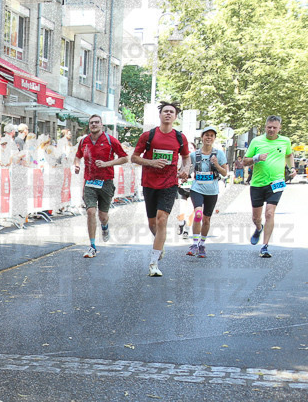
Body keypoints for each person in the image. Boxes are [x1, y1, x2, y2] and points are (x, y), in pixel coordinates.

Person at [131, 102, 191, 277]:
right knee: (152, 223)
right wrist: (152, 162)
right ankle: (160, 242)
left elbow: (186, 158)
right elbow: (134, 158)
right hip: (149, 183)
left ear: (175, 117)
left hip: (169, 183)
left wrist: (186, 169)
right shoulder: (148, 136)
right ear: (160, 115)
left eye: (171, 112)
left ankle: (153, 263)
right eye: (165, 111)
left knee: (162, 219)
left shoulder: (180, 138)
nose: (168, 114)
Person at [74, 114, 128, 258]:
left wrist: (107, 164)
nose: (94, 125)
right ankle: (92, 246)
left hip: (106, 182)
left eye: (97, 122)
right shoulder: (83, 141)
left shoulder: (111, 140)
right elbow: (77, 156)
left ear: (102, 125)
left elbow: (124, 158)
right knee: (91, 212)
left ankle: (104, 226)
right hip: (89, 182)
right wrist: (77, 165)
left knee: (102, 215)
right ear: (89, 125)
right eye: (92, 123)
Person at [240, 116, 293, 258]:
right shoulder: (256, 141)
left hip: (276, 183)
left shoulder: (285, 141)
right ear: (265, 127)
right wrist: (257, 158)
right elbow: (245, 162)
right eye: (269, 127)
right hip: (257, 183)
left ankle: (264, 246)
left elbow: (289, 154)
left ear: (279, 128)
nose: (271, 130)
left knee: (269, 213)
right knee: (256, 218)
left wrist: (292, 168)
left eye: (274, 127)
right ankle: (258, 228)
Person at [186, 126, 227, 258]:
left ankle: (202, 245)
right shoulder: (194, 155)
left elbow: (225, 173)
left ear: (214, 139)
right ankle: (194, 244)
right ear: (202, 137)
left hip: (212, 190)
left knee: (206, 219)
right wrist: (184, 173)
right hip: (197, 188)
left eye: (211, 135)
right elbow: (187, 170)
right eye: (206, 135)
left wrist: (216, 164)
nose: (209, 137)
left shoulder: (219, 154)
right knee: (198, 214)